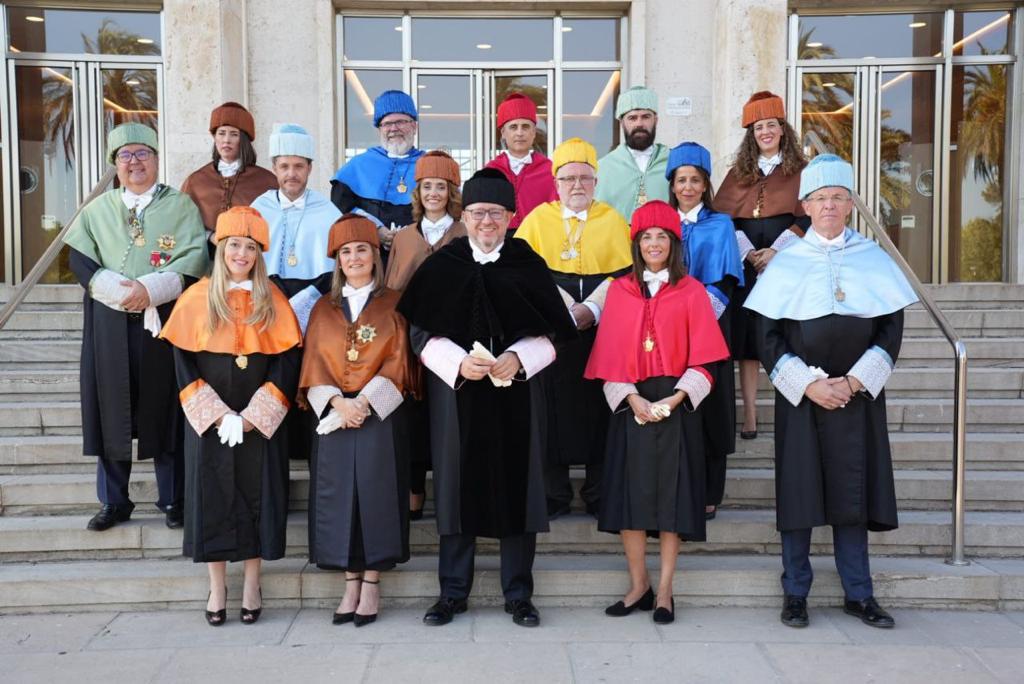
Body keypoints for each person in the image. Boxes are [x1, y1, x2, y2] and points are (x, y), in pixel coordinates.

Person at [744, 154, 917, 630]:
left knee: (852, 496)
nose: (830, 207)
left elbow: (890, 329)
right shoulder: (785, 264)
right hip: (804, 397)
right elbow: (768, 337)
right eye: (821, 199)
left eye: (839, 198)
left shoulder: (874, 257)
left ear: (851, 205)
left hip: (856, 397)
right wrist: (810, 384)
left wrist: (855, 381)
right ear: (805, 204)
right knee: (799, 496)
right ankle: (795, 593)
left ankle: (859, 594)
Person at [397, 168, 577, 628]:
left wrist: (519, 357)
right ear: (465, 215)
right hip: (457, 398)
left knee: (519, 490)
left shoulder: (527, 263)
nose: (485, 223)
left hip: (517, 396)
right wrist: (457, 362)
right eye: (477, 214)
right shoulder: (443, 264)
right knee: (456, 492)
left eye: (495, 214)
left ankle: (518, 594)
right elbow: (419, 333)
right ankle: (452, 593)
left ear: (511, 216)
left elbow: (556, 332)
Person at [585, 200, 730, 624]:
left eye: (661, 236)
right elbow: (608, 357)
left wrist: (675, 398)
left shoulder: (692, 292)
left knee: (672, 502)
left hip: (676, 405)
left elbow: (706, 361)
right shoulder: (619, 291)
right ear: (636, 243)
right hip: (631, 403)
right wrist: (632, 400)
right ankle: (638, 585)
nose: (653, 243)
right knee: (630, 501)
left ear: (673, 243)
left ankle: (665, 589)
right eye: (646, 236)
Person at [160, 206, 302, 626]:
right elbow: (183, 364)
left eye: (251, 247)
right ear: (219, 247)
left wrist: (255, 415)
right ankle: (218, 585)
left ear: (260, 253)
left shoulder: (273, 300)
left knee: (257, 495)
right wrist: (219, 417)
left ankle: (253, 583)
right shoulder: (195, 298)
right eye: (234, 245)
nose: (242, 253)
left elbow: (285, 364)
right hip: (210, 422)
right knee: (212, 497)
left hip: (260, 422)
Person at [63, 122, 208, 532]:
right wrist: (116, 289)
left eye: (142, 153)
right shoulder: (96, 211)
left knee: (164, 407)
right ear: (115, 165)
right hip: (108, 321)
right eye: (125, 156)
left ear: (157, 159)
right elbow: (79, 260)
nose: (134, 162)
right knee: (109, 406)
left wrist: (152, 288)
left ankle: (172, 498)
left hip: (161, 320)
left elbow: (195, 257)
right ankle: (114, 501)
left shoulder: (180, 207)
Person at [300, 215, 413, 628]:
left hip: (378, 415)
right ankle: (349, 582)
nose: (354, 257)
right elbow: (312, 361)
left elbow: (401, 359)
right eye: (345, 252)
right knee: (339, 498)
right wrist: (336, 404)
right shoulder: (322, 309)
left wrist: (363, 402)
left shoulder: (395, 302)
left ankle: (371, 583)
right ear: (337, 260)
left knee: (377, 496)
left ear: (374, 254)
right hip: (334, 417)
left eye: (361, 249)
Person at [515, 138, 632, 518]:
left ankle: (599, 493)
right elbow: (526, 272)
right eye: (569, 179)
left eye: (585, 178)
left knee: (602, 411)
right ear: (556, 182)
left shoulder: (614, 221)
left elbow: (625, 275)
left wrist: (593, 309)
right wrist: (567, 309)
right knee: (550, 412)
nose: (577, 185)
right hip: (553, 335)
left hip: (602, 333)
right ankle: (553, 494)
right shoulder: (536, 220)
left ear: (596, 182)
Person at [715, 91, 810, 440]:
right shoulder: (738, 172)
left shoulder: (801, 170)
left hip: (786, 265)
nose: (765, 132)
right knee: (749, 343)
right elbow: (724, 218)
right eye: (758, 127)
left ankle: (794, 405)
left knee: (786, 336)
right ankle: (751, 414)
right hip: (747, 267)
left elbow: (807, 218)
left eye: (771, 125)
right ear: (751, 135)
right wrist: (750, 253)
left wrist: (775, 252)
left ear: (783, 129)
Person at [384, 150, 466, 520]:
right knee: (414, 414)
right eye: (427, 186)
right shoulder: (404, 238)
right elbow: (392, 287)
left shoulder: (465, 232)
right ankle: (415, 490)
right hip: (411, 338)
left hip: (457, 337)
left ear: (452, 192)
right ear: (418, 192)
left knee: (453, 416)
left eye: (442, 187)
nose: (434, 193)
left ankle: (455, 491)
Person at [665, 142, 744, 520]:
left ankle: (711, 489)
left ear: (705, 184)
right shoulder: (661, 225)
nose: (688, 187)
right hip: (667, 327)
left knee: (711, 404)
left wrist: (696, 318)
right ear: (672, 184)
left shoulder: (721, 224)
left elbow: (728, 279)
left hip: (711, 323)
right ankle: (679, 484)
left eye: (695, 180)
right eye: (681, 180)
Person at [251, 123, 340, 460]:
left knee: (307, 372)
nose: (292, 174)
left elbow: (335, 267)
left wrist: (305, 299)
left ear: (310, 169)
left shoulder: (328, 211)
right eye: (285, 166)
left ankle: (307, 447)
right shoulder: (258, 209)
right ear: (274, 168)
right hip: (267, 301)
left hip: (314, 302)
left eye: (299, 166)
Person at [330, 90, 424, 252]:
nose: (394, 128)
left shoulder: (429, 164)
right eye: (387, 123)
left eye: (401, 121)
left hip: (418, 255)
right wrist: (375, 230)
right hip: (371, 257)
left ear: (414, 126)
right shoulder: (359, 165)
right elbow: (340, 209)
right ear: (379, 129)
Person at [180, 102, 277, 249]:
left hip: (251, 260)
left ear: (243, 140)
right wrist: (210, 236)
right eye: (221, 133)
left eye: (234, 134)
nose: (226, 140)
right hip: (207, 263)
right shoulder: (195, 181)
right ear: (215, 137)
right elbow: (184, 225)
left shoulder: (266, 181)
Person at [595, 86, 670, 222]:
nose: (639, 123)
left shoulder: (672, 162)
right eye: (632, 118)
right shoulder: (603, 168)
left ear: (656, 121)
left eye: (646, 117)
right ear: (622, 123)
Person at [483, 93, 557, 232]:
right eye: (513, 127)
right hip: (498, 242)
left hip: (539, 240)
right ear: (503, 133)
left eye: (525, 127)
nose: (519, 133)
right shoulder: (490, 171)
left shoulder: (550, 170)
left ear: (534, 132)